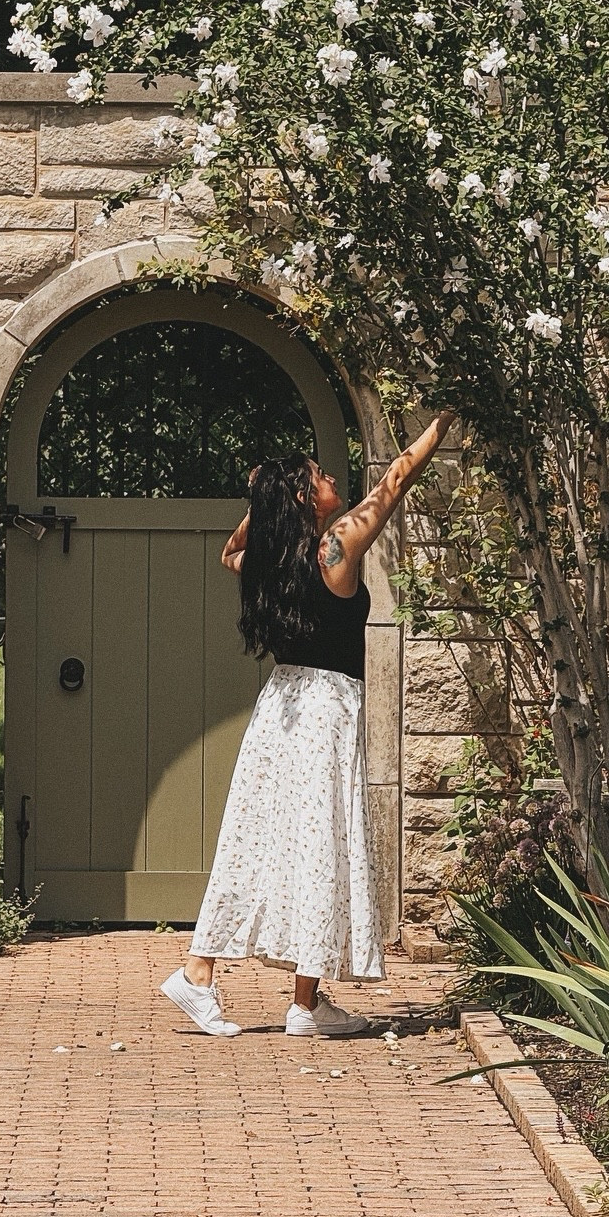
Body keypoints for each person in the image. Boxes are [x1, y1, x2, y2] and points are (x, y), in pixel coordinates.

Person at [160, 409, 458, 1038]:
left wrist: (264, 498)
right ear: (304, 495)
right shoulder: (335, 545)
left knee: (265, 837)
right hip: (324, 708)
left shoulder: (270, 558)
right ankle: (228, 983)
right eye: (319, 476)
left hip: (282, 704)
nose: (332, 480)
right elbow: (394, 484)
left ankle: (291, 999)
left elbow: (230, 550)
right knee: (318, 839)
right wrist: (440, 424)